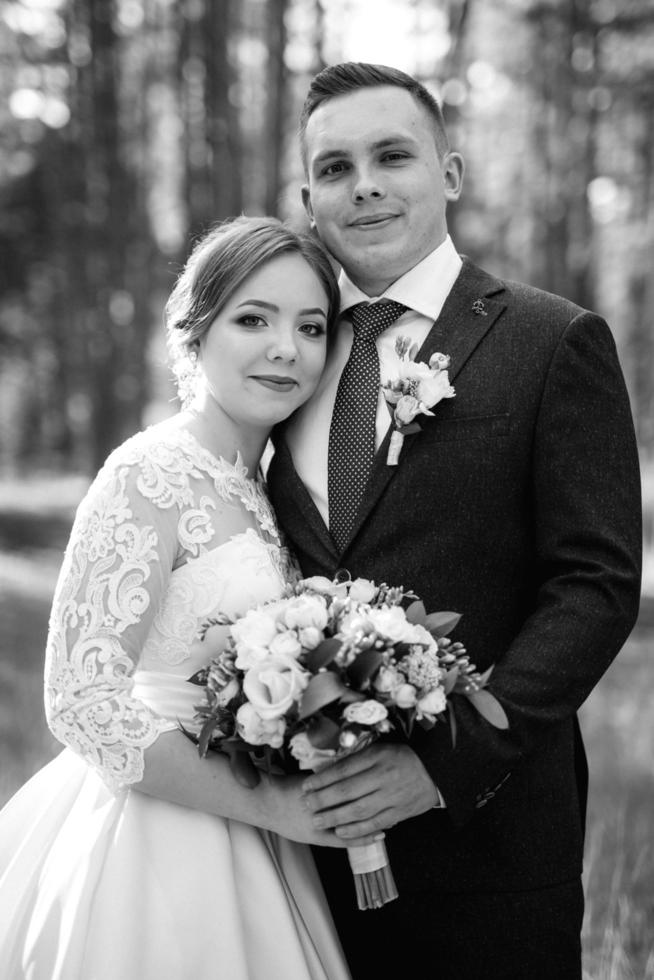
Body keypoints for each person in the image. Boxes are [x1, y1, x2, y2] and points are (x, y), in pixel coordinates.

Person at [266, 63, 642, 980]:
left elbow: (594, 587)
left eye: (393, 156)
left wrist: (443, 764)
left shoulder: (552, 341)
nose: (364, 185)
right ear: (309, 199)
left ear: (450, 174)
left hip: (490, 850)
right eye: (334, 168)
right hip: (298, 861)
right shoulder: (282, 357)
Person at [0, 215, 358, 980]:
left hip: (257, 832)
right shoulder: (149, 473)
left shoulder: (264, 491)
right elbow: (81, 700)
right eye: (253, 319)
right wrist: (271, 807)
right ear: (196, 332)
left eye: (311, 326)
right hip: (154, 837)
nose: (286, 348)